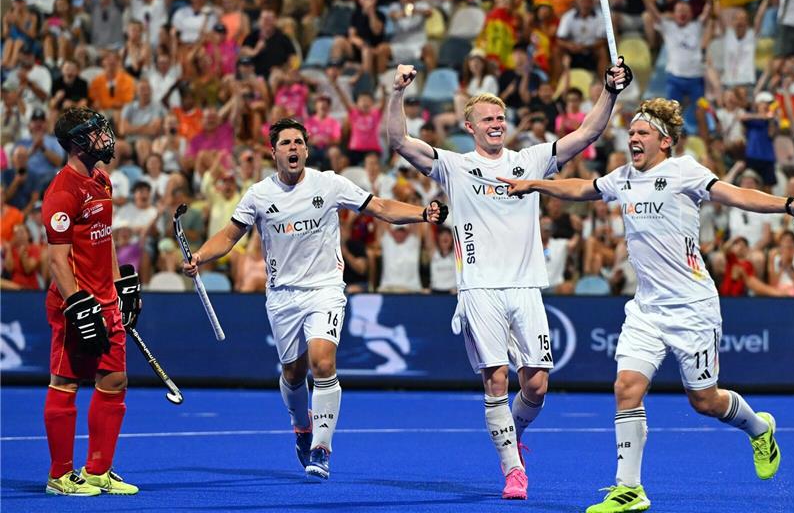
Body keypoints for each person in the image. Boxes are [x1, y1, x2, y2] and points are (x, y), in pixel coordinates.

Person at [498, 98, 794, 512]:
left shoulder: (685, 171)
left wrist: (787, 205)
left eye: (641, 133)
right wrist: (536, 184)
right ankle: (628, 488)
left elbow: (736, 195)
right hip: (646, 307)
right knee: (626, 388)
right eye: (630, 132)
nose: (632, 137)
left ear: (664, 141)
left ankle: (759, 429)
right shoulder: (624, 176)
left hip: (692, 306)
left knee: (705, 401)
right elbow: (582, 189)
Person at [386, 58, 633, 500]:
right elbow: (398, 140)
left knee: (536, 384)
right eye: (488, 119)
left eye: (501, 118)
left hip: (525, 288)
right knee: (496, 378)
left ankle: (512, 433)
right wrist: (397, 91)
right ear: (470, 127)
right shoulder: (453, 165)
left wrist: (610, 92)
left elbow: (588, 133)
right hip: (479, 288)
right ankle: (513, 470)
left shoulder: (530, 160)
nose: (497, 124)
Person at [181, 118, 447, 480]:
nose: (293, 148)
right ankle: (301, 425)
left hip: (325, 289)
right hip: (282, 296)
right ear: (273, 152)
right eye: (286, 143)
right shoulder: (258, 194)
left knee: (323, 362)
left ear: (306, 149)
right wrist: (200, 257)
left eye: (298, 143)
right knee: (293, 373)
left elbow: (380, 207)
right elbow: (229, 236)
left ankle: (321, 448)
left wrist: (423, 213)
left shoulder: (330, 184)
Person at [41, 106, 142, 496]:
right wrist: (77, 305)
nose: (106, 137)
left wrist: (119, 286)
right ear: (78, 142)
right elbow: (56, 258)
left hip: (106, 299)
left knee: (115, 380)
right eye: (97, 133)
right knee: (65, 382)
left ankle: (99, 470)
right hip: (76, 303)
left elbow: (105, 237)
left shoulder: (102, 179)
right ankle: (60, 475)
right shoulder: (62, 191)